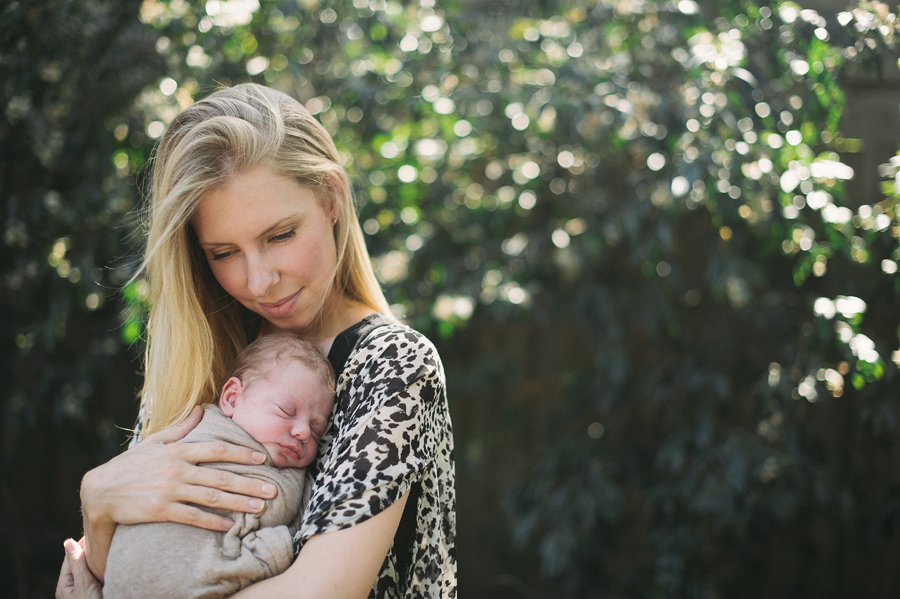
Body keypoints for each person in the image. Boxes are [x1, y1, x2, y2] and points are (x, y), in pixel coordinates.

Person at [56, 82, 456, 599]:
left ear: (331, 198)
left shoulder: (392, 363)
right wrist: (98, 502)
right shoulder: (202, 357)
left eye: (280, 235)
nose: (259, 280)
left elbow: (322, 592)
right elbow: (122, 569)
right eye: (224, 253)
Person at [103, 332, 335, 599]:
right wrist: (276, 550)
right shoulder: (191, 429)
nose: (303, 432)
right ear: (232, 398)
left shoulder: (294, 473)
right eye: (286, 411)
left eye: (317, 429)